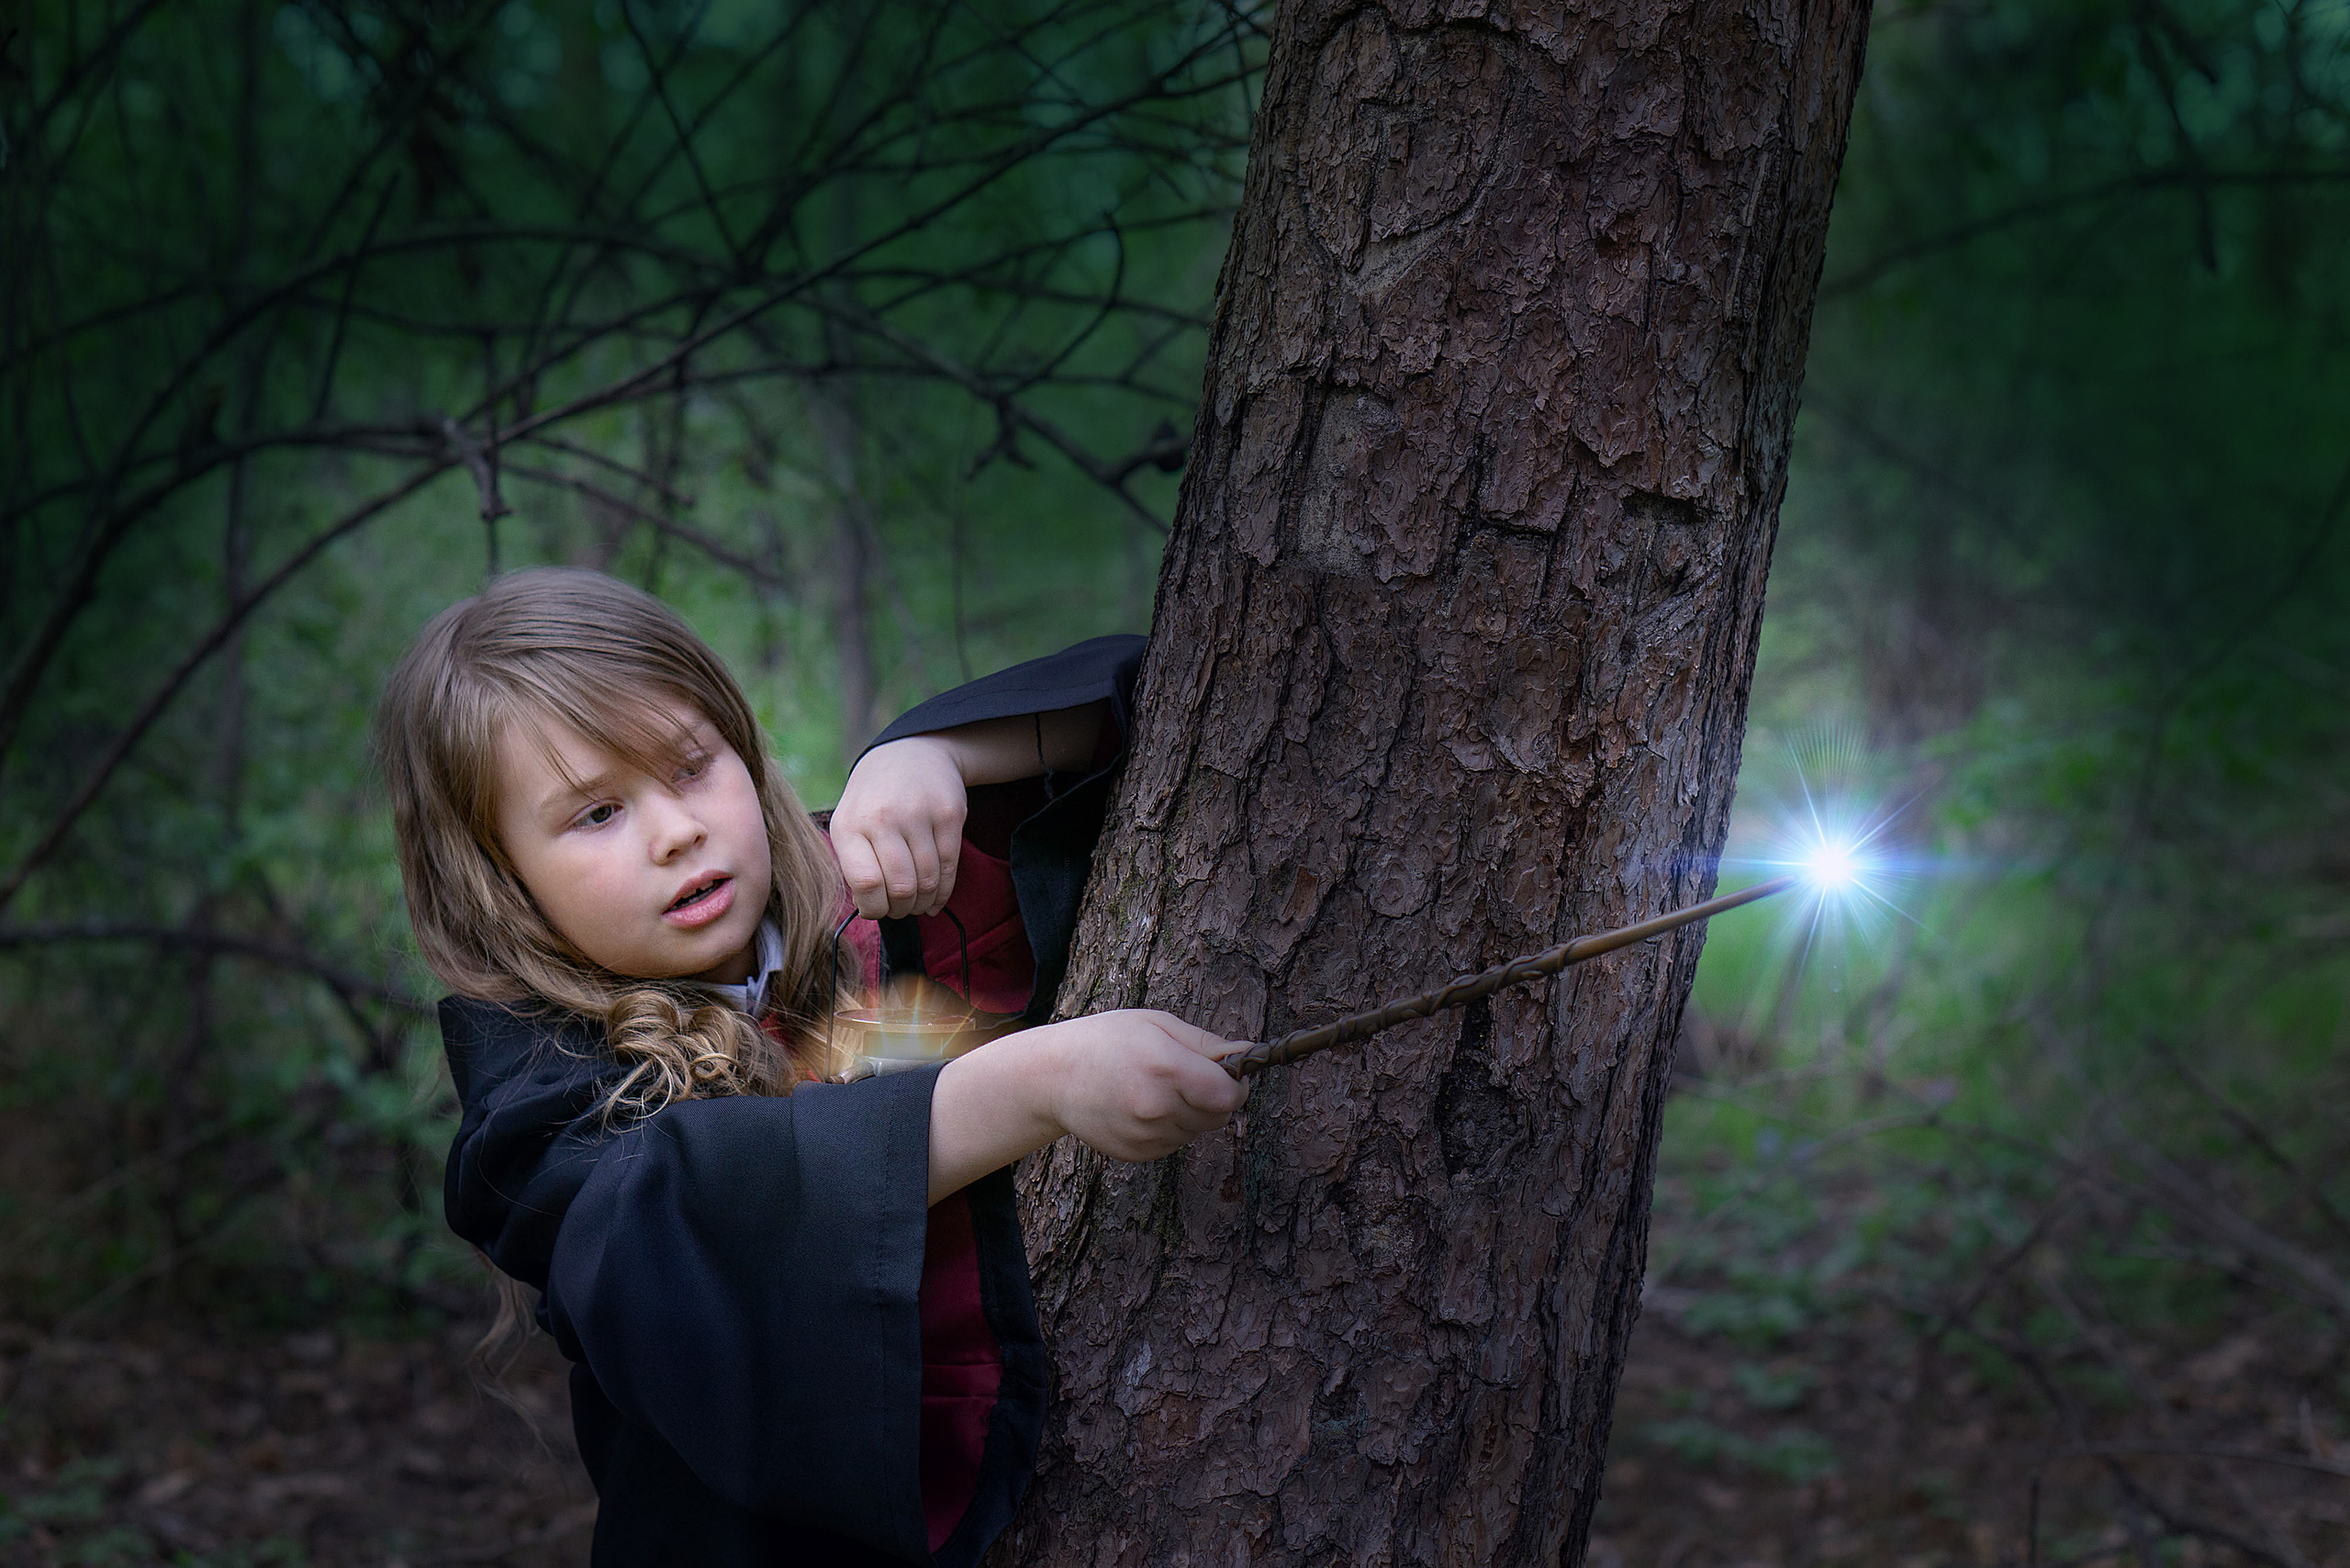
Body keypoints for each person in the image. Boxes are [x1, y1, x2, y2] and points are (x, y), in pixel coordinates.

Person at [374, 567, 1248, 1567]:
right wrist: (1030, 1086)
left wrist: (931, 751)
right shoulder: (539, 1099)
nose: (676, 830)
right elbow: (683, 1202)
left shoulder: (872, 885)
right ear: (502, 883)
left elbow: (1181, 699)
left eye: (692, 765)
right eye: (596, 814)